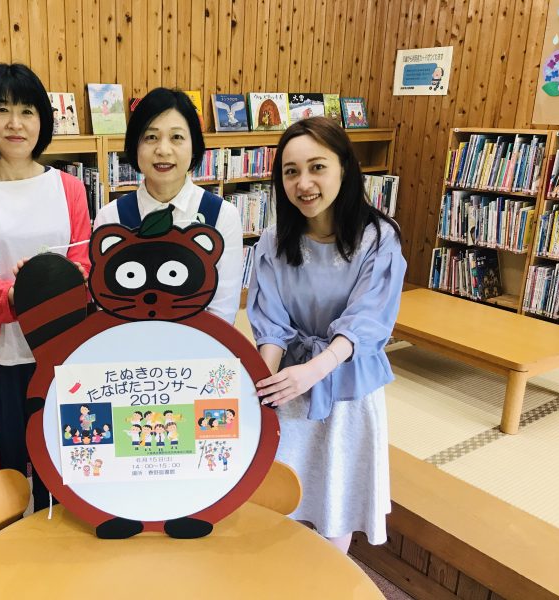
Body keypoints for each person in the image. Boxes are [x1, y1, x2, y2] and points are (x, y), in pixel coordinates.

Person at [246, 116, 406, 554]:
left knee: (337, 499)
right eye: (291, 171)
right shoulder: (273, 241)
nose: (304, 183)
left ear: (344, 168)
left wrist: (317, 368)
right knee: (281, 496)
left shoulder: (379, 238)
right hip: (290, 386)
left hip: (347, 385)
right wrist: (262, 387)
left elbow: (368, 319)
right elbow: (271, 323)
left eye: (317, 167)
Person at [0, 63, 91, 512]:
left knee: (62, 468)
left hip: (60, 352)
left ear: (42, 120)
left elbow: (84, 262)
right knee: (1, 481)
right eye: (1, 110)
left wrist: (59, 280)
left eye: (27, 111)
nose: (15, 123)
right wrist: (21, 292)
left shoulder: (69, 187)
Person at [93, 87, 243, 324]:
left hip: (199, 345)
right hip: (129, 345)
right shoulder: (111, 218)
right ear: (135, 146)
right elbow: (109, 308)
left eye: (177, 137)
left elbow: (222, 314)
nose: (163, 150)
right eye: (151, 137)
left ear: (194, 146)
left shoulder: (222, 216)